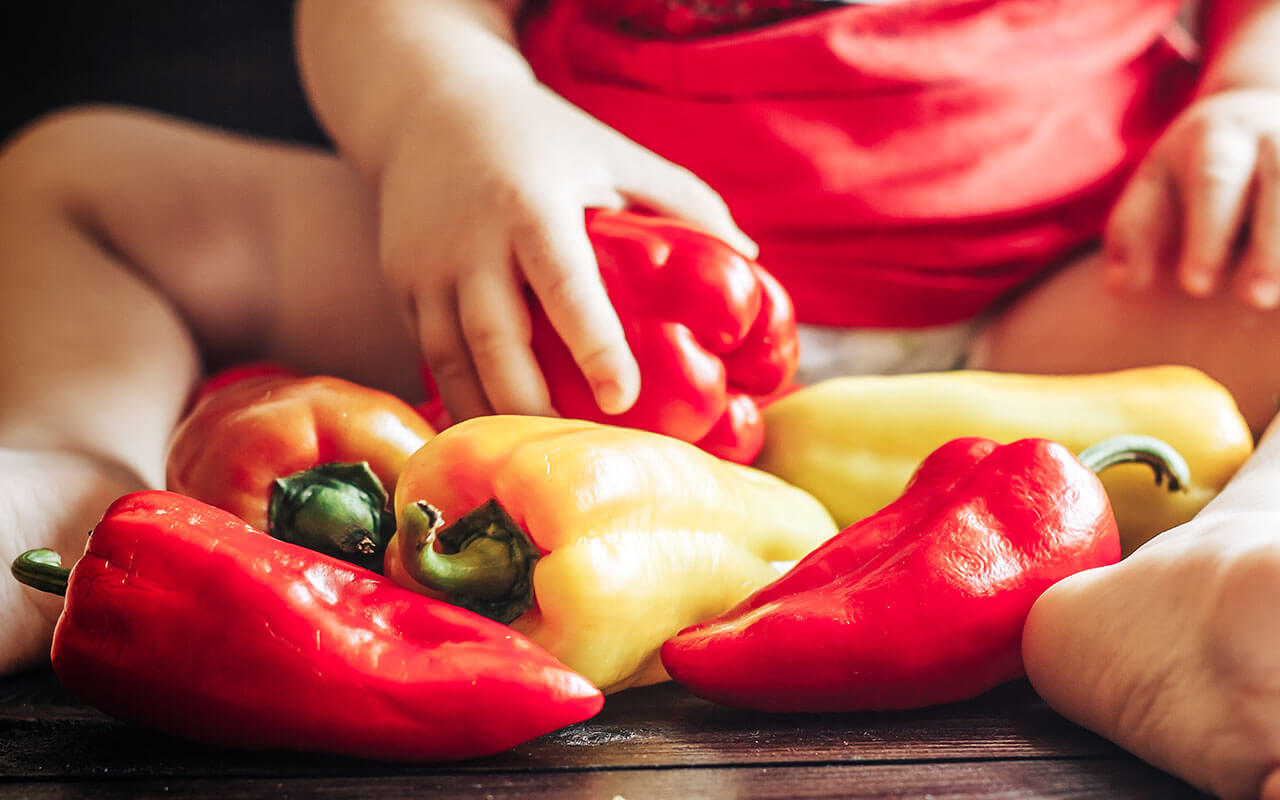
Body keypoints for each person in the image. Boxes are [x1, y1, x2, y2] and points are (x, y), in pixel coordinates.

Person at [0, 1, 1276, 796]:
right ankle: (68, 459)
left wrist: (1250, 95)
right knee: (84, 178)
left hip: (1052, 290)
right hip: (551, 282)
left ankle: (1219, 565)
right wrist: (454, 111)